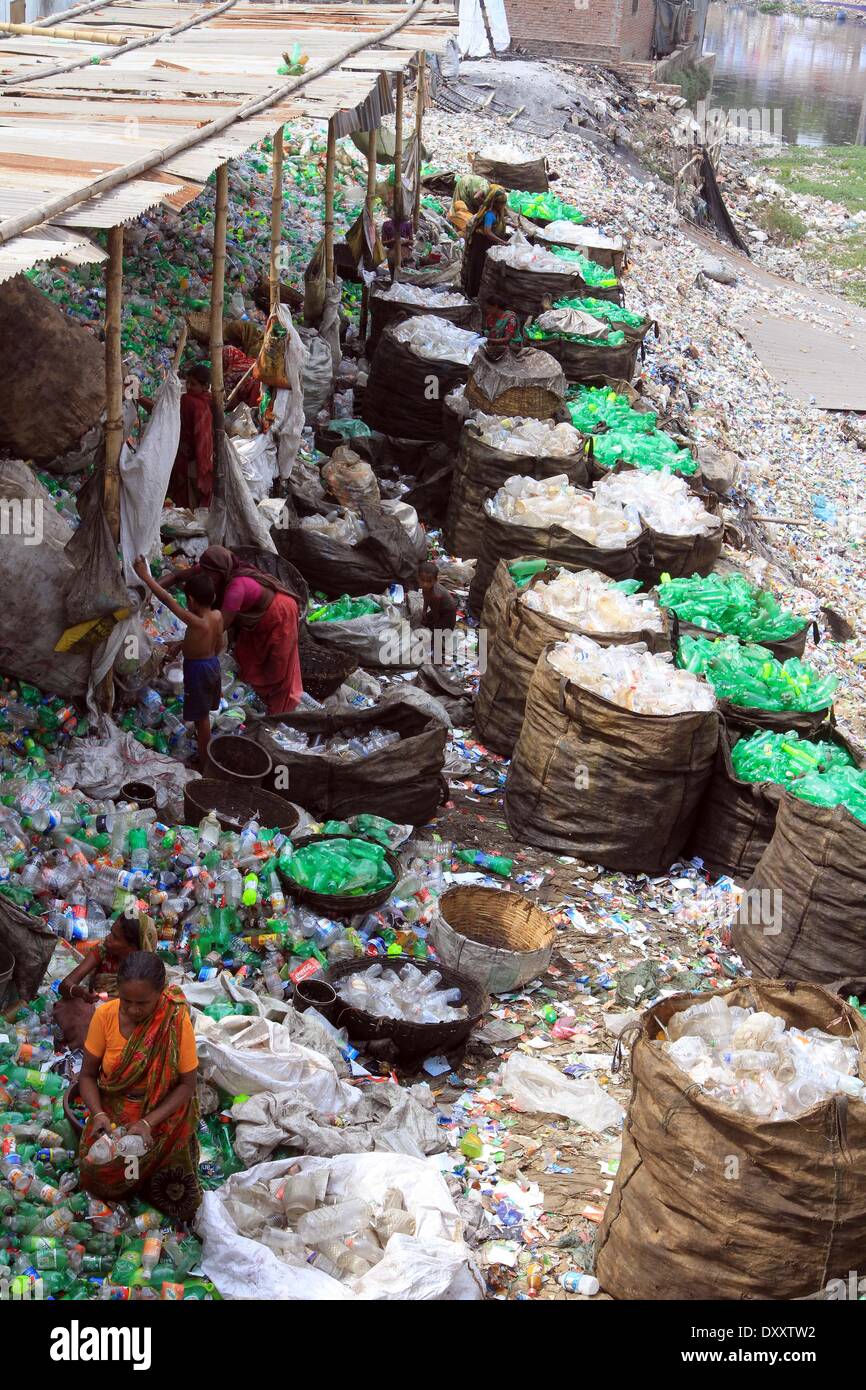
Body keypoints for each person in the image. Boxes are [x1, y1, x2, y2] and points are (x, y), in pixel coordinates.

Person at [78, 952, 200, 1222]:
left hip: (161, 1110)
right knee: (96, 1174)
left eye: (142, 1003)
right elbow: (86, 1075)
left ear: (160, 993)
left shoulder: (174, 1020)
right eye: (126, 1002)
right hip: (114, 1108)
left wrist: (147, 1123)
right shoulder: (106, 1016)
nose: (133, 1010)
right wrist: (98, 1113)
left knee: (169, 1187)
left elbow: (187, 1085)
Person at [161, 547, 303, 716]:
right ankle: (252, 696)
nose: (206, 578)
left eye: (209, 574)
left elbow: (216, 630)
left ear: (221, 571)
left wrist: (183, 644)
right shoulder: (211, 570)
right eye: (203, 571)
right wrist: (149, 589)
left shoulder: (236, 588)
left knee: (279, 667)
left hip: (280, 612)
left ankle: (280, 714)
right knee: (250, 657)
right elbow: (176, 576)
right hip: (256, 618)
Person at [133, 557, 224, 762]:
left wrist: (145, 576)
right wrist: (184, 644)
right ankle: (204, 743)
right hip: (212, 666)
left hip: (198, 670)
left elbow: (167, 600)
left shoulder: (197, 621)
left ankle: (205, 760)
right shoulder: (217, 616)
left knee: (202, 720)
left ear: (191, 601)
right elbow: (218, 644)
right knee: (206, 710)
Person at [54, 916, 158, 1052]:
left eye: (115, 937)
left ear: (132, 948)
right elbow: (65, 985)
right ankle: (86, 1054)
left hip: (124, 1014)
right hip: (96, 1008)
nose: (108, 937)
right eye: (111, 932)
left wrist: (115, 1004)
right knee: (73, 1008)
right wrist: (81, 993)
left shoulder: (147, 971)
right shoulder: (103, 951)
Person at [168, 364, 214, 509]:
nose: (188, 386)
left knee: (186, 495)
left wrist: (202, 467)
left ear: (205, 386)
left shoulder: (190, 402)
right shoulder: (207, 400)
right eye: (187, 382)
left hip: (191, 458)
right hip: (198, 457)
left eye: (193, 384)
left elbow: (202, 437)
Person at [461, 186, 509, 298]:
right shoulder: (489, 214)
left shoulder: (498, 213)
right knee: (477, 267)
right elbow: (487, 232)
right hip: (480, 243)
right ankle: (472, 293)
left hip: (487, 243)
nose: (502, 205)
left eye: (504, 203)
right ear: (494, 203)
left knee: (483, 267)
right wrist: (502, 241)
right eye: (500, 203)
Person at [418, 561, 458, 633]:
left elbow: (436, 615)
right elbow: (426, 599)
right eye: (422, 580)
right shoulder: (426, 589)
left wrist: (436, 625)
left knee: (437, 635)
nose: (425, 584)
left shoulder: (435, 595)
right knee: (424, 621)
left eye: (429, 581)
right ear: (418, 578)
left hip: (448, 614)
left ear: (435, 580)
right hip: (439, 609)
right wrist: (424, 611)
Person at [447, 173, 490, 238]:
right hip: (466, 185)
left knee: (459, 206)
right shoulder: (486, 187)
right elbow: (476, 197)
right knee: (463, 210)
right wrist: (485, 204)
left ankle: (455, 227)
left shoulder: (487, 186)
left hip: (465, 181)